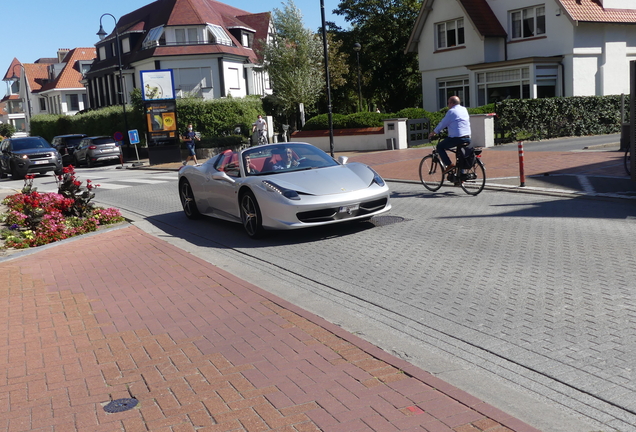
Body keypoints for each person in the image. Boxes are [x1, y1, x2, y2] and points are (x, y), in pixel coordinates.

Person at [428, 96, 471, 173]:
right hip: (467, 137)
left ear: (451, 103)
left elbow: (443, 124)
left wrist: (434, 132)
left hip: (457, 138)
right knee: (460, 156)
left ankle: (449, 165)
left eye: (448, 103)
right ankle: (461, 177)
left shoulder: (452, 111)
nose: (448, 105)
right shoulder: (464, 109)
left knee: (439, 146)